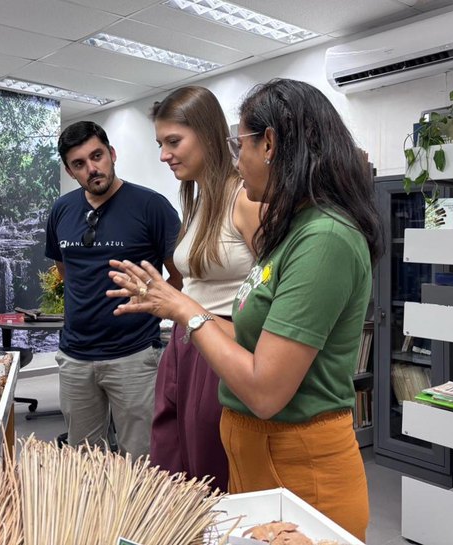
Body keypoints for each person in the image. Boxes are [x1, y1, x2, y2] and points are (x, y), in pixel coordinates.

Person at [107, 79, 383, 541]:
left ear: (270, 144)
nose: (237, 159)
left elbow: (265, 390)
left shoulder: (324, 238)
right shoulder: (294, 233)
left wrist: (187, 311)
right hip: (261, 463)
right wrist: (173, 305)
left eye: (242, 144)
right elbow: (255, 337)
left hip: (298, 469)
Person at [46, 120, 181, 460]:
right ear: (69, 170)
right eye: (79, 163)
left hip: (133, 355)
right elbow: (65, 270)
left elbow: (179, 278)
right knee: (85, 461)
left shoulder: (151, 206)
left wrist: (150, 298)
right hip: (76, 357)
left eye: (97, 156)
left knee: (145, 459)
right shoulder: (62, 210)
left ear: (112, 153)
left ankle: (146, 515)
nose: (92, 168)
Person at [148, 86, 261, 491]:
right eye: (161, 143)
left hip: (222, 342)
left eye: (173, 141)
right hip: (185, 343)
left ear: (208, 135)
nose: (164, 154)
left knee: (211, 468)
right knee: (173, 463)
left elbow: (273, 292)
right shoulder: (197, 202)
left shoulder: (245, 201)